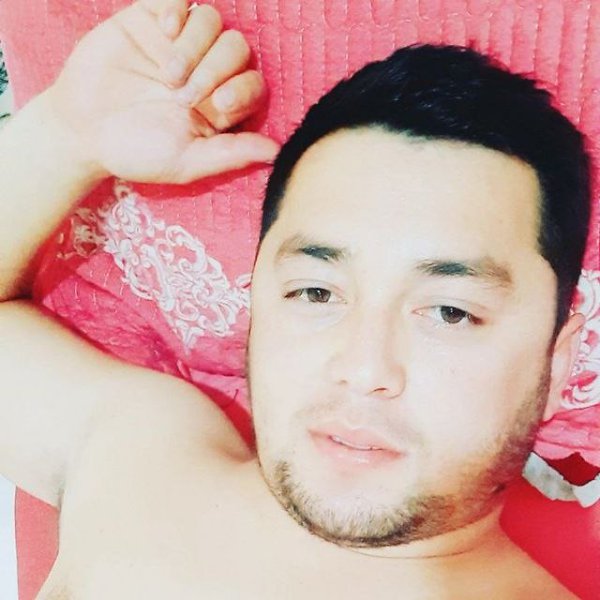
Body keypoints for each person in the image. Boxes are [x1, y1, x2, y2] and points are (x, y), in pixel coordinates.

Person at [0, 0, 590, 597]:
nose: (363, 370)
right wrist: (61, 136)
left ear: (557, 362)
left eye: (450, 312)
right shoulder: (140, 455)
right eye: (316, 292)